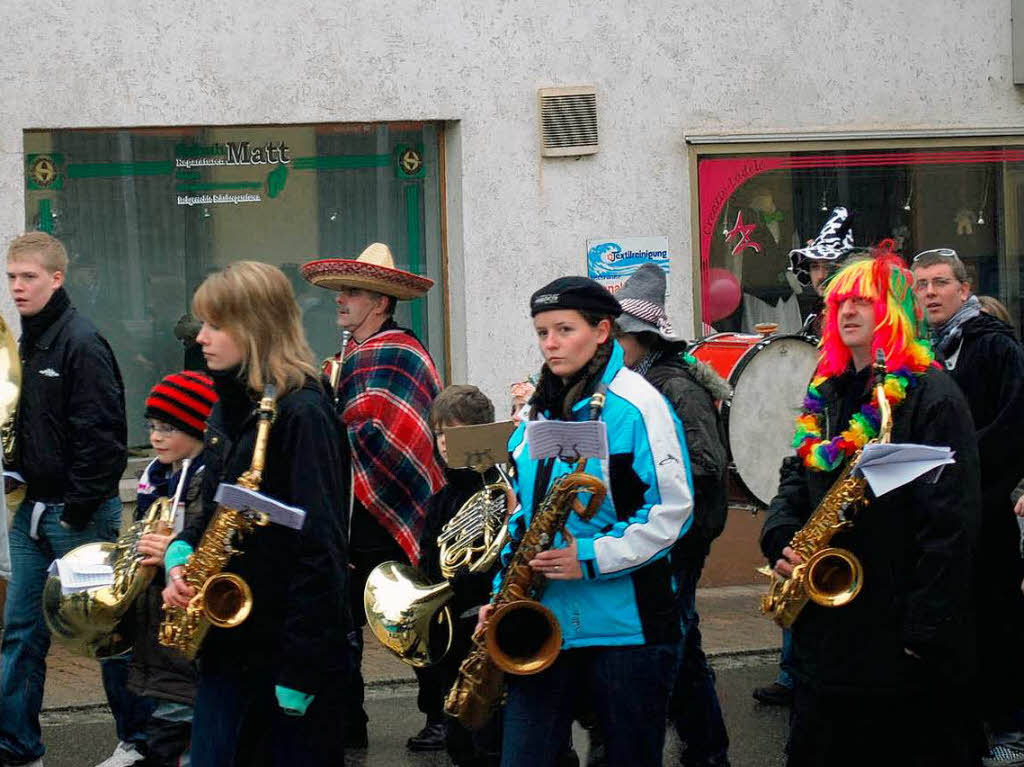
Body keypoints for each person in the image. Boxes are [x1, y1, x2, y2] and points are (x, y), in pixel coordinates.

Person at [762, 246, 982, 766]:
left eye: (864, 300)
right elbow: (798, 475)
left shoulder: (932, 396)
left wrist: (924, 632)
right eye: (840, 302)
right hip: (828, 630)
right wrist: (780, 535)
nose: (847, 312)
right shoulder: (828, 389)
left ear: (896, 312)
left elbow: (950, 523)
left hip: (894, 633)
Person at [484, 276, 693, 767]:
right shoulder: (538, 411)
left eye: (563, 329)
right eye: (541, 332)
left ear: (602, 331)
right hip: (544, 619)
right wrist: (501, 593)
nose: (550, 344)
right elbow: (524, 515)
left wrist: (590, 558)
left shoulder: (640, 405)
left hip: (627, 629)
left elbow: (672, 512)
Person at [161, 261, 352, 767]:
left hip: (285, 654)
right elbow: (215, 504)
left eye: (215, 325)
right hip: (229, 641)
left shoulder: (304, 413)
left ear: (256, 326)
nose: (201, 337)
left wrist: (299, 673)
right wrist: (182, 556)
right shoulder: (230, 402)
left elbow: (321, 549)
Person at [301, 242, 444, 748]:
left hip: (391, 502)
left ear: (380, 302)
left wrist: (332, 428)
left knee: (410, 611)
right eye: (340, 290)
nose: (341, 299)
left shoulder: (398, 351)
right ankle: (347, 719)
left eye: (352, 291)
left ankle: (441, 714)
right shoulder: (348, 353)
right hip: (347, 506)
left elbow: (399, 434)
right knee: (343, 621)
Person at [0, 231, 127, 767]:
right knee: (21, 634)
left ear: (57, 278)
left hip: (79, 516)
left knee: (105, 633)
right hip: (30, 514)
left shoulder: (81, 341)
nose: (18, 287)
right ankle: (18, 747)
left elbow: (105, 438)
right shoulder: (21, 342)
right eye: (11, 277)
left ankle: (141, 740)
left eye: (29, 276)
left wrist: (74, 508)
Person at [612, 263, 731, 767]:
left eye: (614, 334)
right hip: (666, 532)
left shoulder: (673, 386)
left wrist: (642, 482)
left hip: (681, 535)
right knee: (682, 644)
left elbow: (705, 466)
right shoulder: (639, 378)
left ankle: (685, 750)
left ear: (635, 337)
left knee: (670, 646)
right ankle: (706, 749)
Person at [911, 248, 1024, 766]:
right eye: (921, 285)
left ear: (963, 288)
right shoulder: (921, 352)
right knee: (958, 621)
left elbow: (1013, 425)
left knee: (996, 618)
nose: (930, 292)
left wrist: (962, 466)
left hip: (986, 508)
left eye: (939, 283)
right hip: (942, 512)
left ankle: (1010, 730)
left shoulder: (994, 345)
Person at [754, 208, 859, 708]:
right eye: (815, 268)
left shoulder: (854, 333)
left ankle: (810, 675)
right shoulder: (817, 322)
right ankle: (796, 672)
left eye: (827, 267)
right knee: (797, 561)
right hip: (814, 455)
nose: (818, 275)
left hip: (848, 468)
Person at [112, 371, 217, 767]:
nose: (156, 437)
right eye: (152, 427)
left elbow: (204, 542)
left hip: (186, 614)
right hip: (156, 616)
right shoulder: (156, 476)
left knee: (178, 722)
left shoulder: (204, 481)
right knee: (167, 716)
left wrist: (171, 550)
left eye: (168, 428)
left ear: (198, 429)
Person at [416, 385, 503, 765]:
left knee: (491, 737)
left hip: (486, 627)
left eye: (453, 433)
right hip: (451, 632)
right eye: (438, 434)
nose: (444, 444)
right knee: (460, 739)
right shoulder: (441, 499)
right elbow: (429, 565)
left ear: (481, 434)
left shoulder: (502, 491)